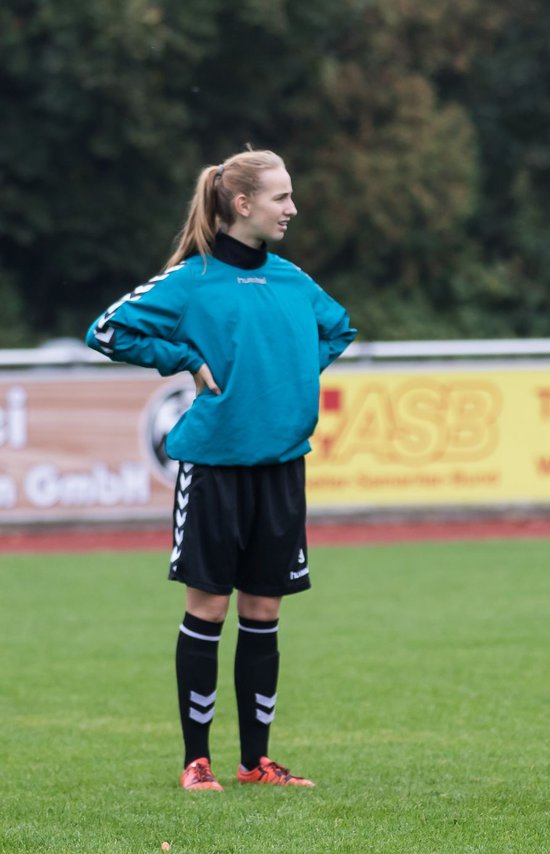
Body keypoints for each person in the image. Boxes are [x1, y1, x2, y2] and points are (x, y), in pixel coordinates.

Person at [85, 149, 356, 791]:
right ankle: (196, 761)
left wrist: (288, 380)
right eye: (281, 198)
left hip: (281, 470)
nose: (292, 208)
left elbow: (338, 331)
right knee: (208, 610)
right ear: (242, 205)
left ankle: (256, 762)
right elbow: (106, 330)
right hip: (213, 470)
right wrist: (180, 356)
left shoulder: (293, 281)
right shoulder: (191, 281)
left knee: (264, 611)